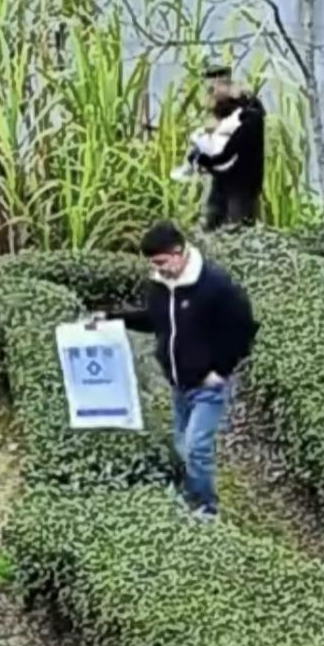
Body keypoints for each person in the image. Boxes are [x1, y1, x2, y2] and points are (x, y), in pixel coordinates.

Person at [108, 221, 258, 518]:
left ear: (178, 253)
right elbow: (154, 320)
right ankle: (190, 499)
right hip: (179, 383)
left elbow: (244, 328)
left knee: (196, 447)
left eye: (162, 262)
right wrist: (112, 318)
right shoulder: (160, 286)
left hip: (209, 384)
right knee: (180, 445)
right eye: (153, 263)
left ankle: (206, 509)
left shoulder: (215, 284)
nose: (158, 269)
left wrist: (220, 369)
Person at [190, 78, 265, 231]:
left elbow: (226, 155)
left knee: (233, 223)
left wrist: (202, 160)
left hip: (239, 185)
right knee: (220, 217)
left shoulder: (247, 122)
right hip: (237, 181)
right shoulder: (247, 117)